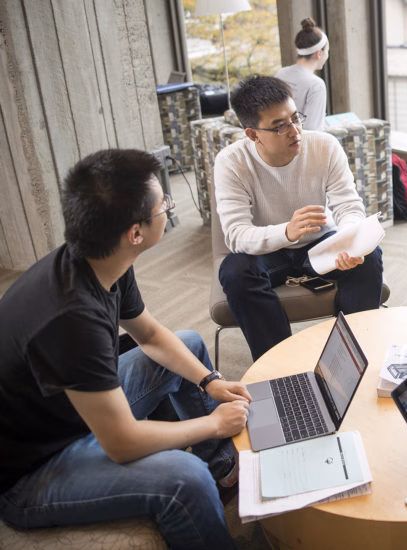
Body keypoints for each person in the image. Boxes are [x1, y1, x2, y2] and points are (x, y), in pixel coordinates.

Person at [0, 149, 251, 549]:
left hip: (71, 412)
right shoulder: (70, 318)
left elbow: (149, 334)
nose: (168, 208)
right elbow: (122, 443)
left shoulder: (99, 260)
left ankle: (218, 467)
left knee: (186, 342)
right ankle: (204, 481)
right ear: (135, 233)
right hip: (32, 470)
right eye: (163, 204)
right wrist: (215, 423)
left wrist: (210, 381)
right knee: (184, 478)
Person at [215, 75, 383, 361]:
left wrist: (351, 241)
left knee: (369, 257)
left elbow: (347, 206)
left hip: (319, 244)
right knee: (235, 271)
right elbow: (236, 234)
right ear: (253, 134)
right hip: (268, 251)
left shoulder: (324, 146)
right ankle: (279, 365)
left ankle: (354, 356)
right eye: (280, 126)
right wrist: (287, 232)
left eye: (296, 118)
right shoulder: (232, 161)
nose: (295, 131)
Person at [275, 17, 329, 131]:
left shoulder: (281, 73)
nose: (327, 56)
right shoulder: (316, 85)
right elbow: (312, 130)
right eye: (327, 51)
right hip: (300, 143)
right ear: (319, 54)